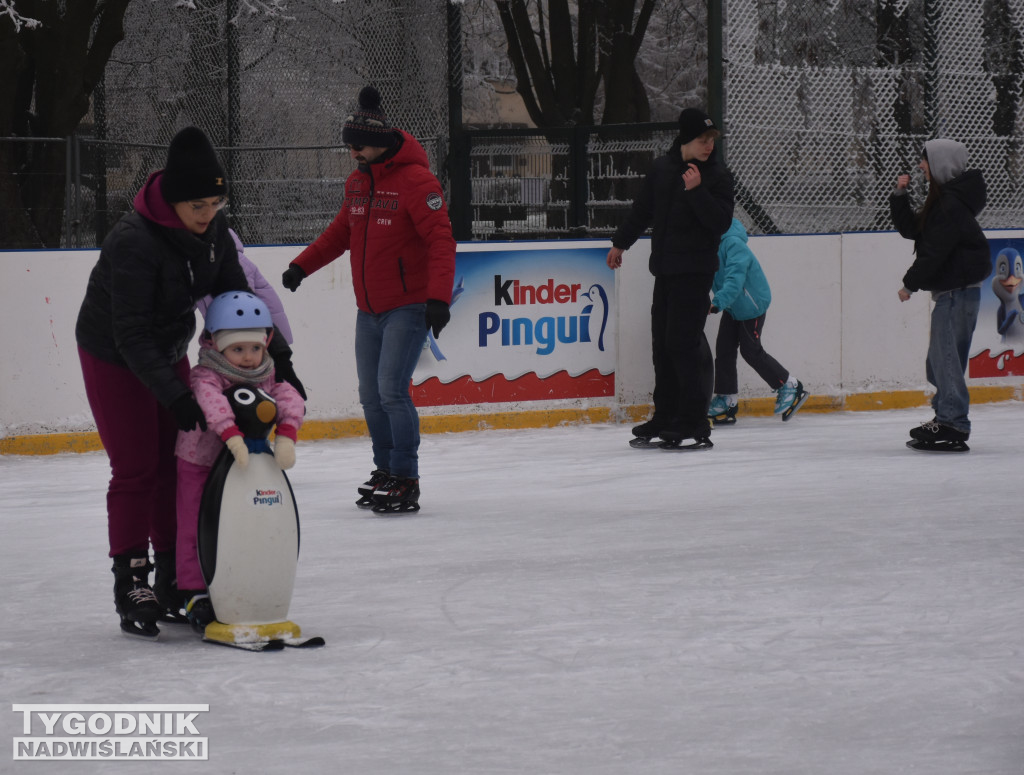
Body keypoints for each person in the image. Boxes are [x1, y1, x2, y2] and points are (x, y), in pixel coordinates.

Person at [75, 126, 305, 638]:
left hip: (168, 349)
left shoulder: (215, 236)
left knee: (173, 463)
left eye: (216, 203)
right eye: (198, 205)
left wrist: (280, 361)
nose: (208, 214)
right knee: (136, 467)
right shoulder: (133, 241)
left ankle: (175, 579)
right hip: (113, 354)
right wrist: (176, 394)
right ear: (174, 200)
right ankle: (131, 580)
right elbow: (130, 332)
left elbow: (237, 297)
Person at [281, 85, 455, 512]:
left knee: (392, 391)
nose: (352, 153)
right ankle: (385, 469)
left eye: (357, 146)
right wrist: (302, 266)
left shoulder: (417, 181)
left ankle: (405, 476)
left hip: (408, 306)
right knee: (369, 394)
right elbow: (341, 233)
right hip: (369, 309)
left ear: (377, 143)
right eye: (350, 147)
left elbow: (440, 240)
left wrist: (438, 298)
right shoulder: (358, 182)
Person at [174, 291, 305, 633]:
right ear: (217, 344)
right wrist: (230, 433)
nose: (248, 358)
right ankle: (193, 592)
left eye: (255, 348)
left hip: (244, 466)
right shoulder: (207, 373)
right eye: (238, 349)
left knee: (240, 528)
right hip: (200, 461)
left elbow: (287, 394)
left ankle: (240, 583)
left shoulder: (266, 372)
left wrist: (287, 432)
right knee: (194, 526)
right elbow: (210, 400)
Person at [606, 107, 735, 446]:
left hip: (695, 274)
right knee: (662, 345)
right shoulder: (663, 170)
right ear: (684, 139)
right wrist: (621, 243)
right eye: (701, 139)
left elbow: (720, 222)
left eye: (711, 140)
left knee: (682, 344)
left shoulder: (718, 176)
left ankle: (694, 421)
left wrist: (697, 191)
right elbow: (642, 210)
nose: (708, 146)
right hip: (665, 271)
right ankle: (665, 415)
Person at [891, 138, 990, 448]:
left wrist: (909, 284)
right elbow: (916, 230)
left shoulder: (949, 205)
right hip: (954, 293)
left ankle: (953, 424)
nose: (921, 167)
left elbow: (933, 252)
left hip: (957, 294)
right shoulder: (946, 201)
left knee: (945, 359)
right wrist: (899, 195)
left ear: (941, 164)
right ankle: (945, 418)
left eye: (925, 161)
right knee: (940, 362)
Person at [707, 218, 807, 424]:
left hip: (750, 305)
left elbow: (735, 279)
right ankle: (727, 399)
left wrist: (717, 303)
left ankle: (789, 384)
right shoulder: (709, 243)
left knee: (751, 351)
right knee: (724, 350)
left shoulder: (733, 243)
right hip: (733, 305)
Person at [197, 229, 295, 344]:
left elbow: (244, 304)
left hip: (262, 333)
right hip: (240, 334)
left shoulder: (234, 261)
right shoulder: (197, 266)